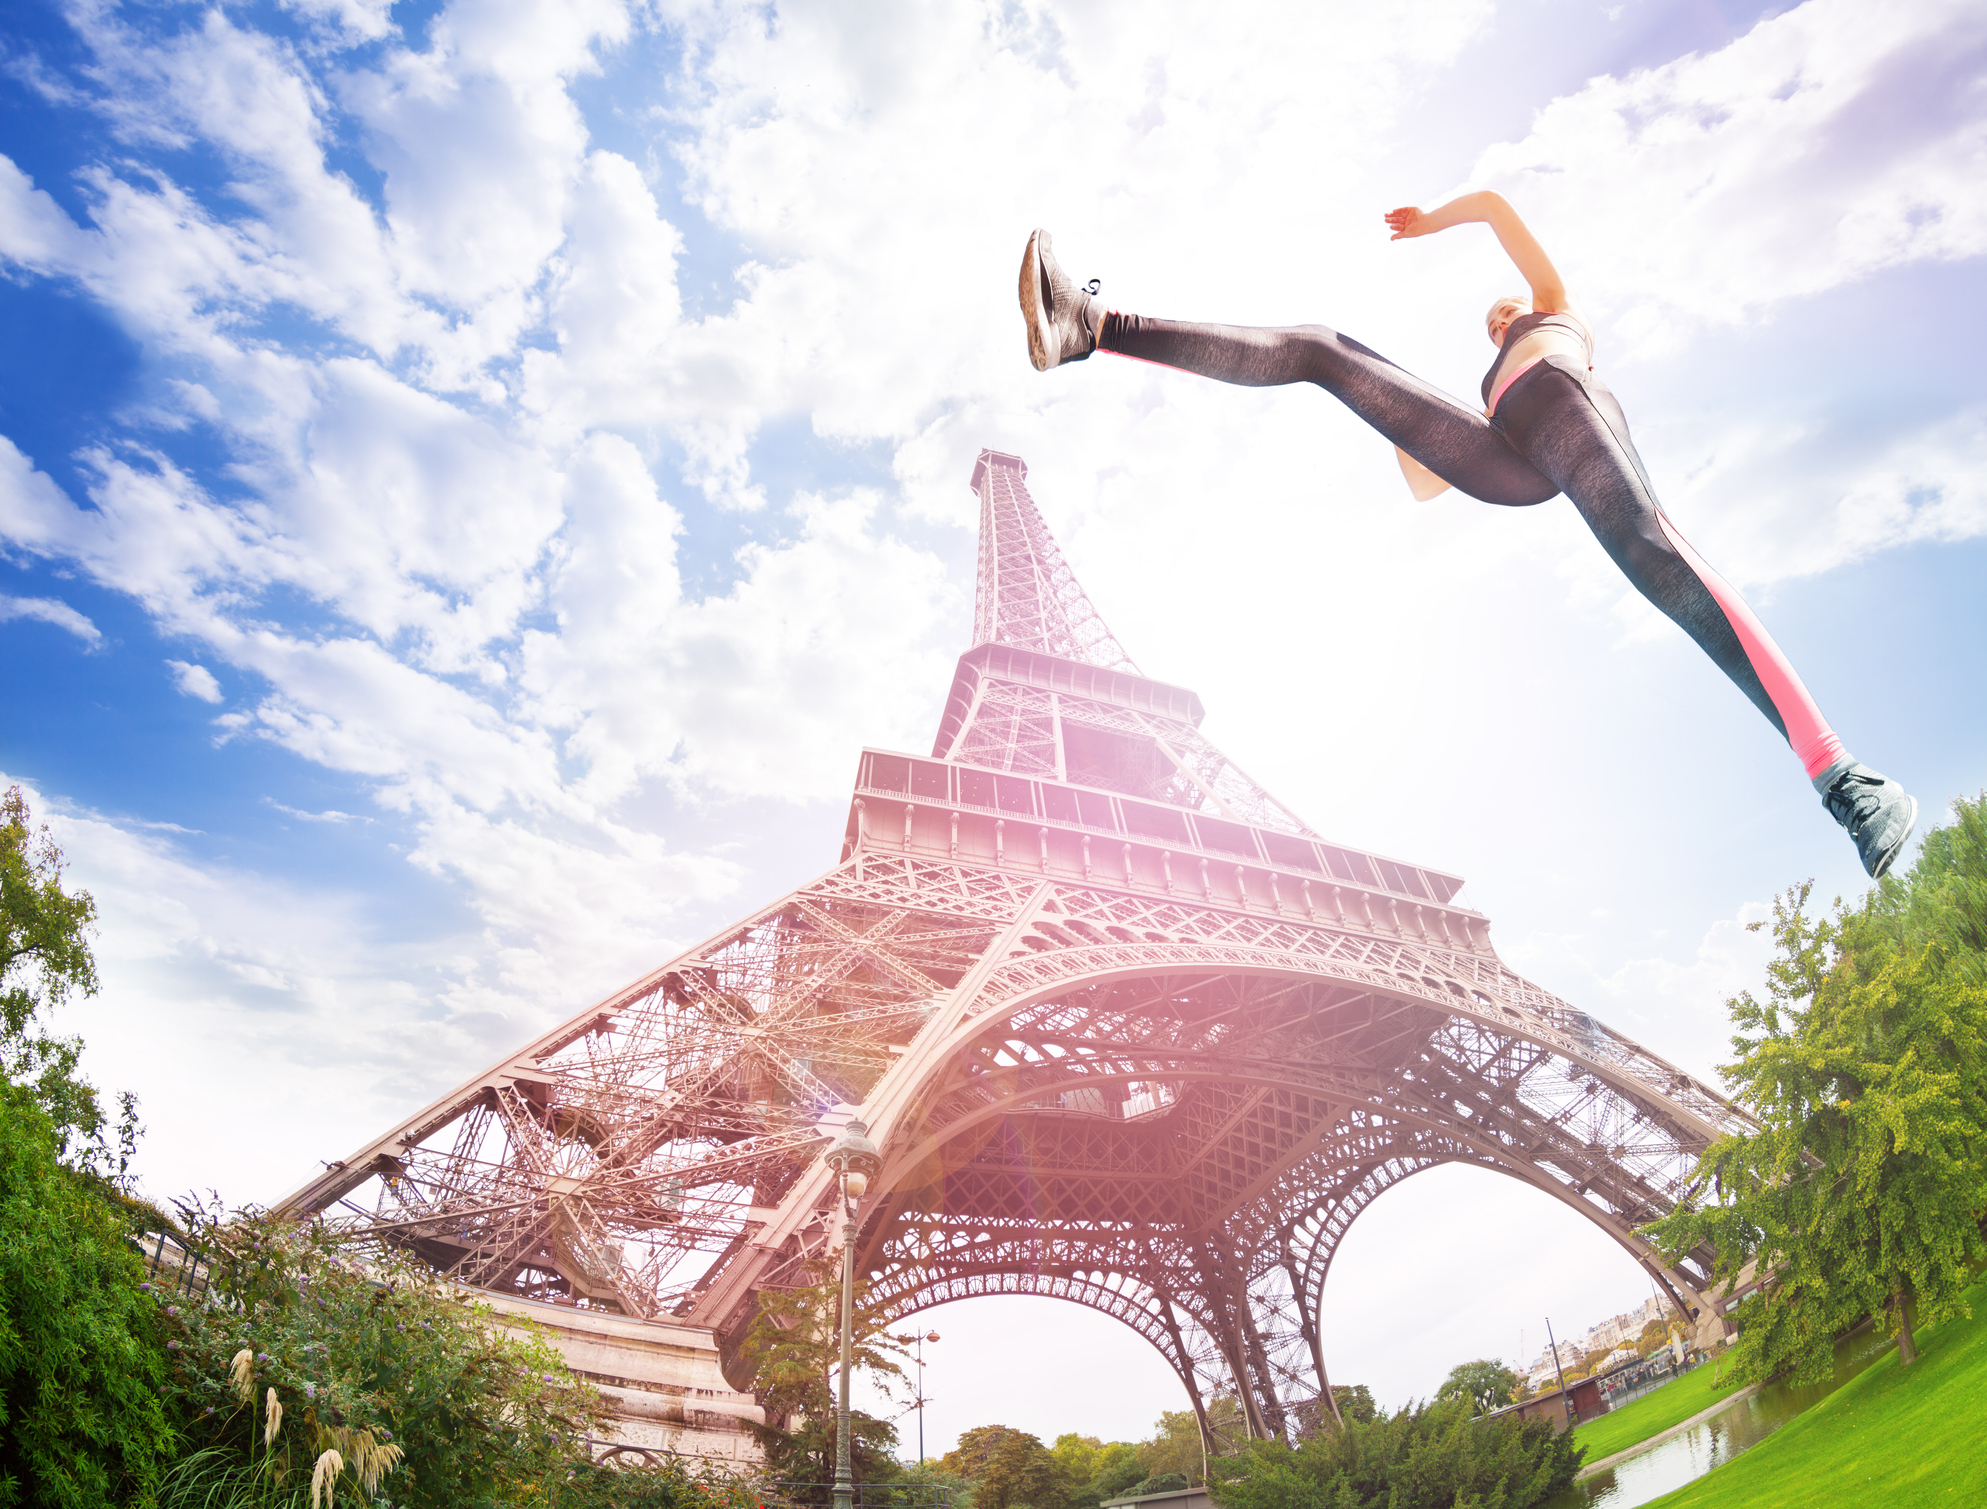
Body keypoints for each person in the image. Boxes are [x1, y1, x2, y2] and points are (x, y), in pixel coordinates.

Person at [1016, 197, 1917, 877]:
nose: (1496, 320)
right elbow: (1422, 483)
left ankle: (1844, 778)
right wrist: (1393, 410)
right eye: (1488, 322)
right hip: (1512, 456)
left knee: (1653, 552)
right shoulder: (1490, 385)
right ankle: (1089, 328)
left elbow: (1495, 208)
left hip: (1567, 411)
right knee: (1323, 350)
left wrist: (1432, 223)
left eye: (1503, 312)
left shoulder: (1557, 315)